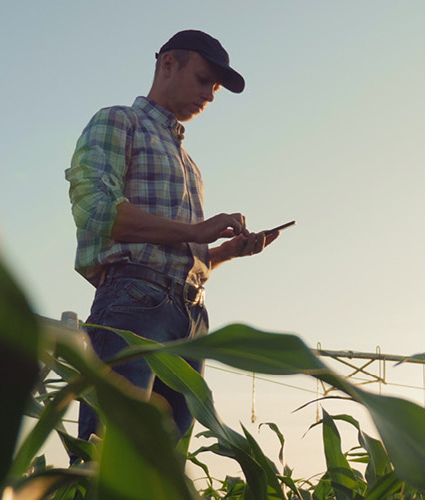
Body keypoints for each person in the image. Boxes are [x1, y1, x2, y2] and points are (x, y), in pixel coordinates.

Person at [64, 29, 278, 453]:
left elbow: (173, 254)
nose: (211, 96)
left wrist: (223, 253)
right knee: (107, 458)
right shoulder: (118, 121)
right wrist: (195, 232)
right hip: (134, 302)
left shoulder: (189, 164)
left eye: (215, 88)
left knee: (161, 472)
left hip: (190, 316)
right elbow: (95, 210)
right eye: (204, 80)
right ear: (167, 65)